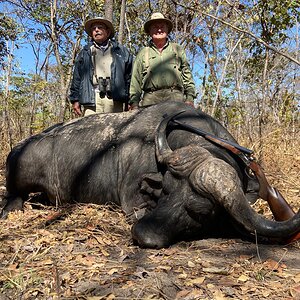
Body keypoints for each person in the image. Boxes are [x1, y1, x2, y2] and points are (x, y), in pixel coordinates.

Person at [129, 12, 196, 109]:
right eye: (155, 27)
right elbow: (135, 80)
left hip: (175, 98)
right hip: (150, 100)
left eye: (162, 27)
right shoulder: (143, 53)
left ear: (167, 30)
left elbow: (187, 76)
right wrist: (134, 102)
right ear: (149, 31)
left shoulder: (177, 49)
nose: (159, 30)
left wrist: (189, 98)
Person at [69, 17, 133, 116]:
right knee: (90, 130)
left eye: (100, 27)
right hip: (92, 99)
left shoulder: (120, 51)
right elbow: (77, 77)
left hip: (115, 99)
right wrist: (75, 99)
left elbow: (129, 77)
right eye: (93, 29)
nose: (96, 30)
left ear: (107, 31)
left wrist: (130, 100)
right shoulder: (85, 52)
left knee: (115, 129)